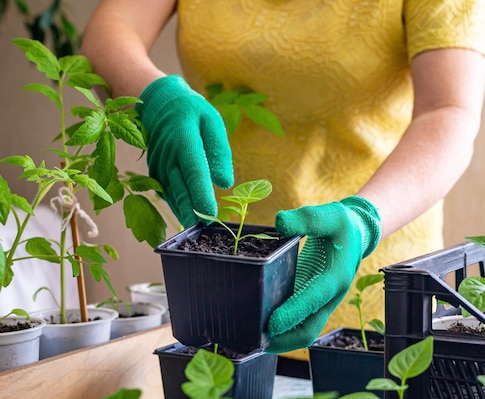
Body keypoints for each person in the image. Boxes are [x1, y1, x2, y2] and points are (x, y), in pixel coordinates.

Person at [80, 0, 485, 357]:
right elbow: (112, 28)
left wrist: (365, 219)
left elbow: (448, 110)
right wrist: (155, 94)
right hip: (225, 278)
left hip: (368, 265)